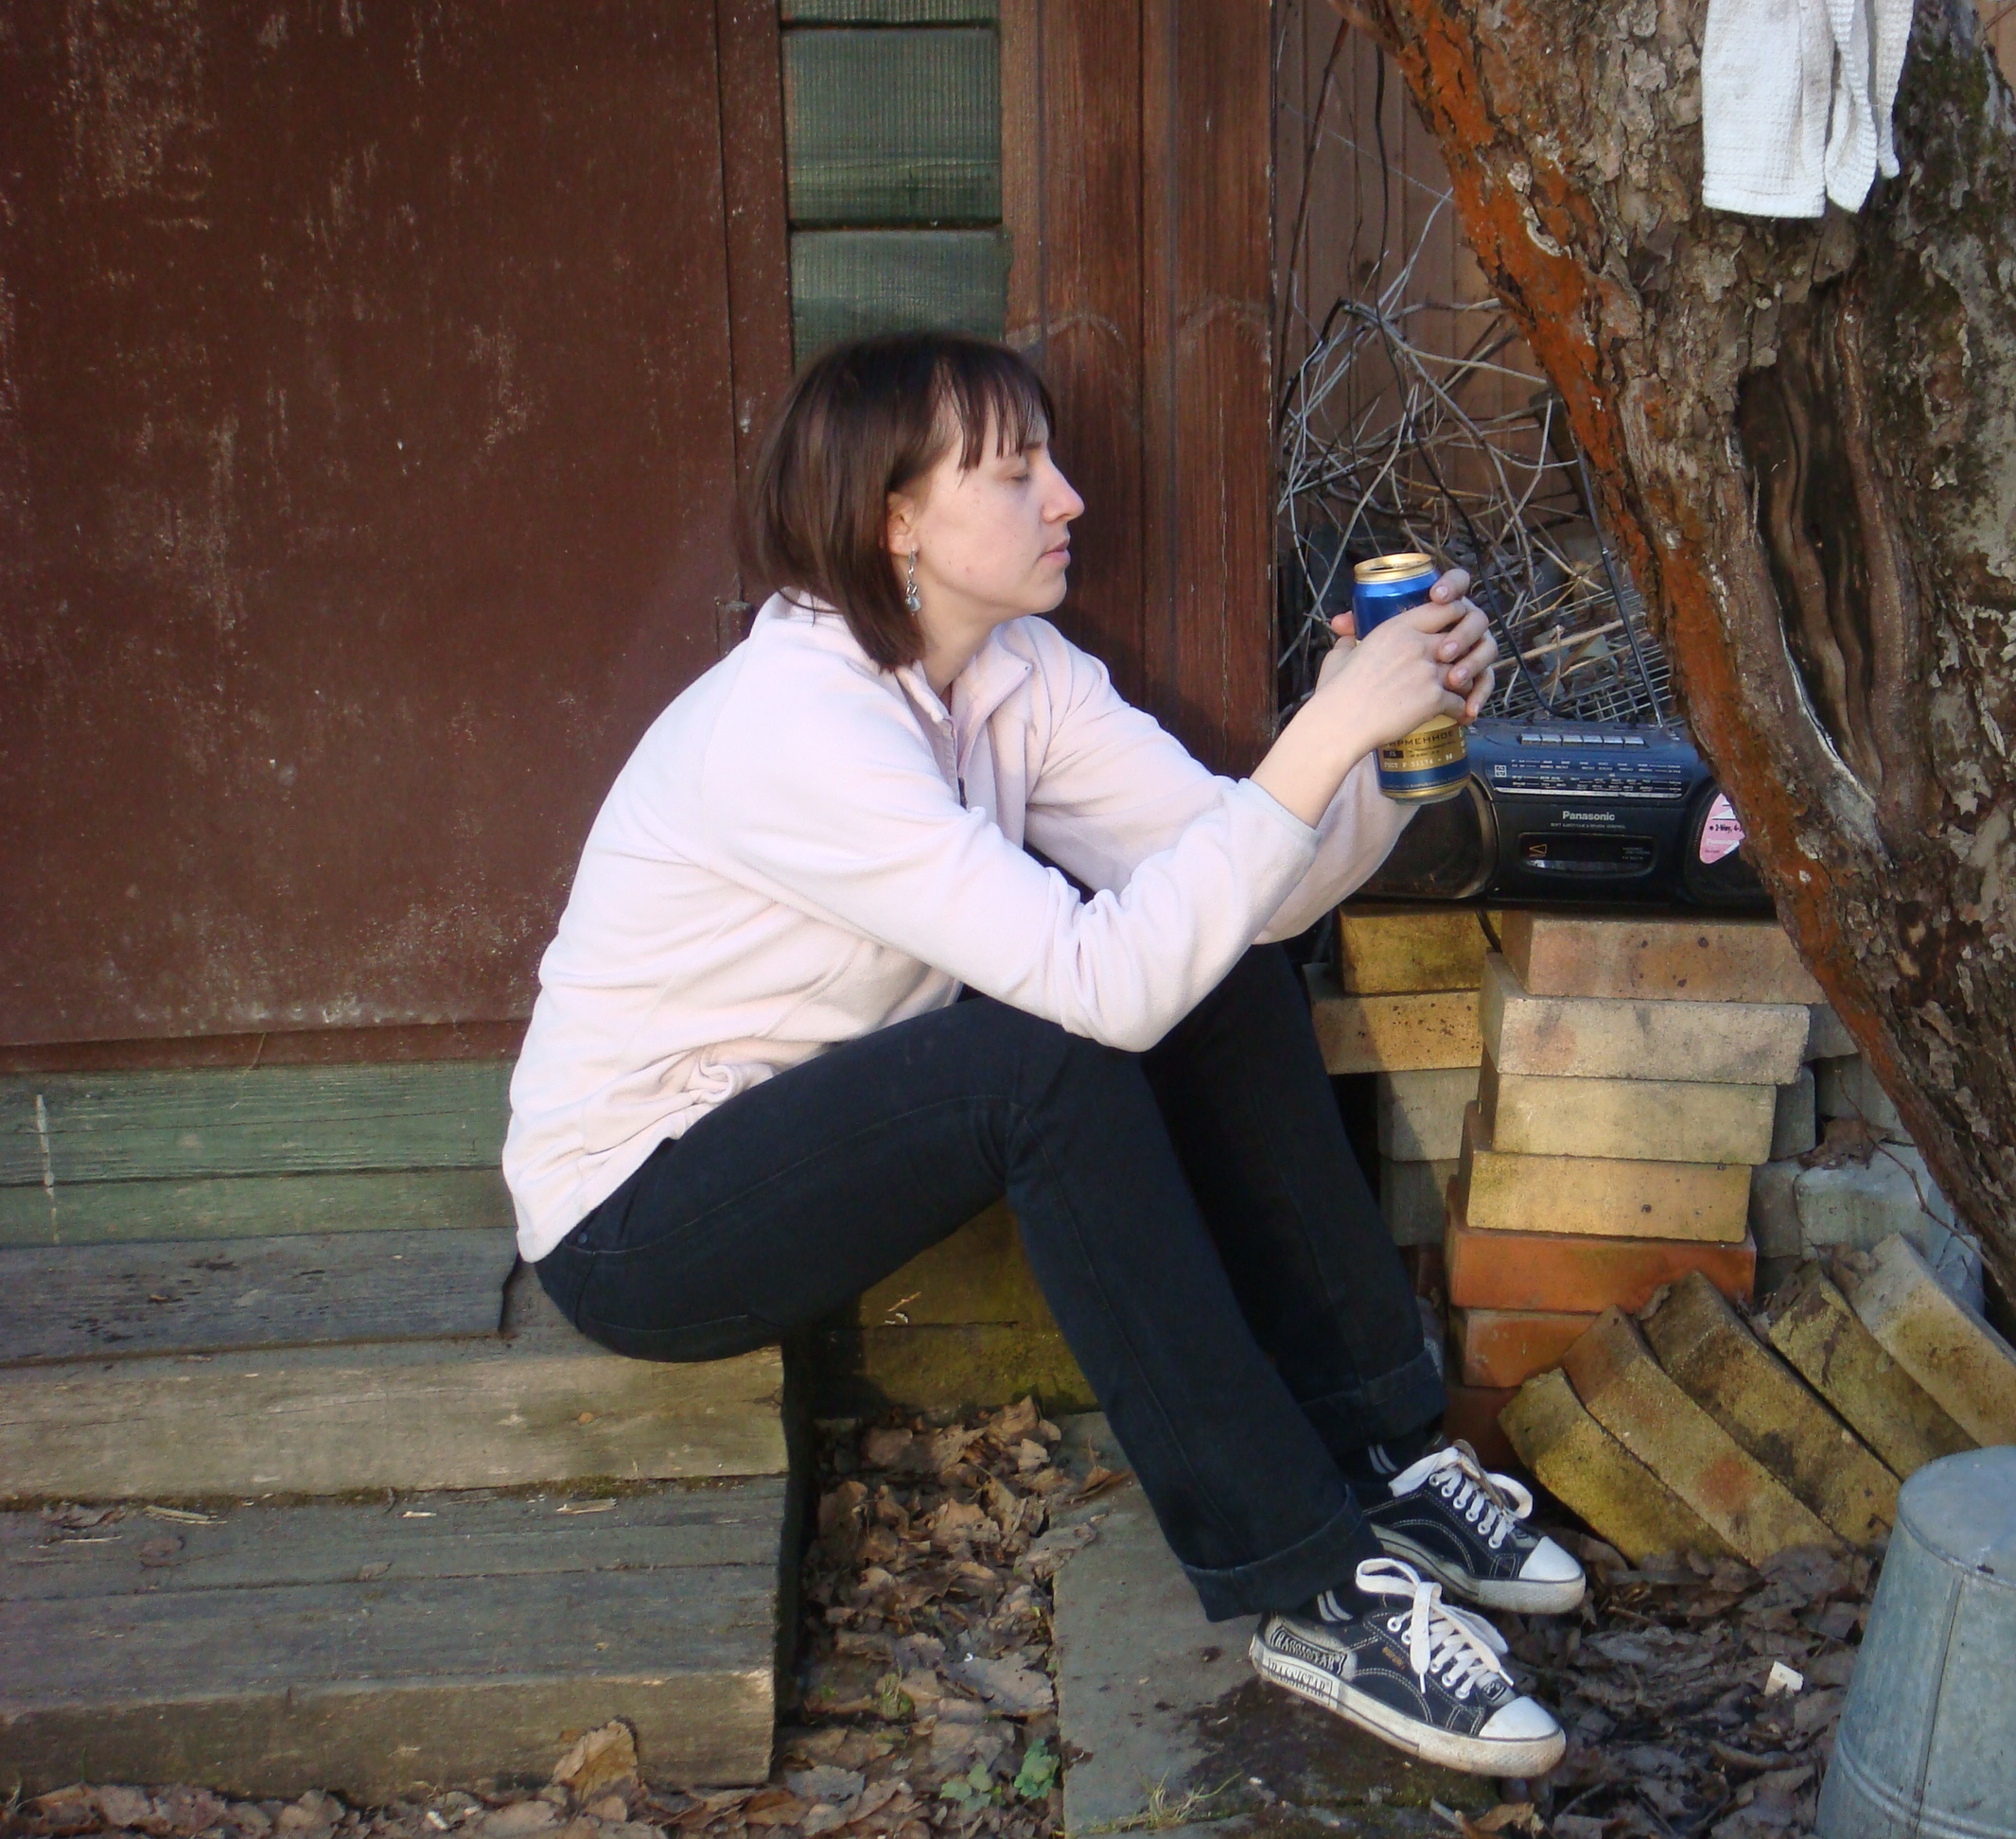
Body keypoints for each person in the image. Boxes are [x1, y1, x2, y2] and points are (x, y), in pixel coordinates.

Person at [501, 332, 1583, 1777]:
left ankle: (1379, 1451)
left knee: (1219, 947)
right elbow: (1102, 993)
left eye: (1049, 461)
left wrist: (1387, 749)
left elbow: (1252, 888)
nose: (1066, 497)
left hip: (818, 1129)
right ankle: (1308, 1588)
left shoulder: (1017, 671)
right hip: (642, 1218)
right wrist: (1323, 731)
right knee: (1045, 1055)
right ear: (896, 523)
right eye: (1014, 475)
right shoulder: (793, 725)